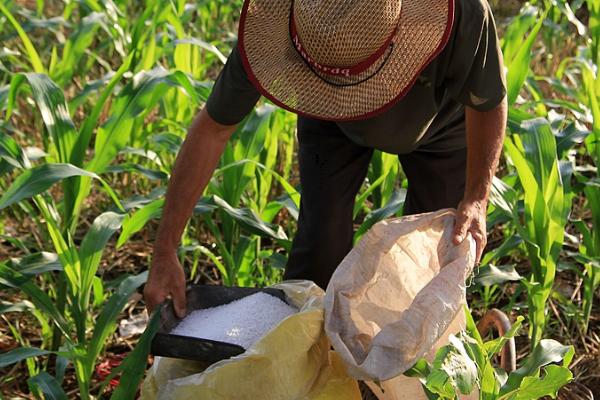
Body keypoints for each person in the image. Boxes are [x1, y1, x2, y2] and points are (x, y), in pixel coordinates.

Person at [144, 0, 508, 317]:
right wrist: (165, 249)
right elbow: (212, 129)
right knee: (316, 258)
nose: (355, 96)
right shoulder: (279, 23)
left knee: (430, 264)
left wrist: (476, 198)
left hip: (442, 129)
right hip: (331, 123)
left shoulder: (462, 13)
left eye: (360, 81)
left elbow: (489, 102)